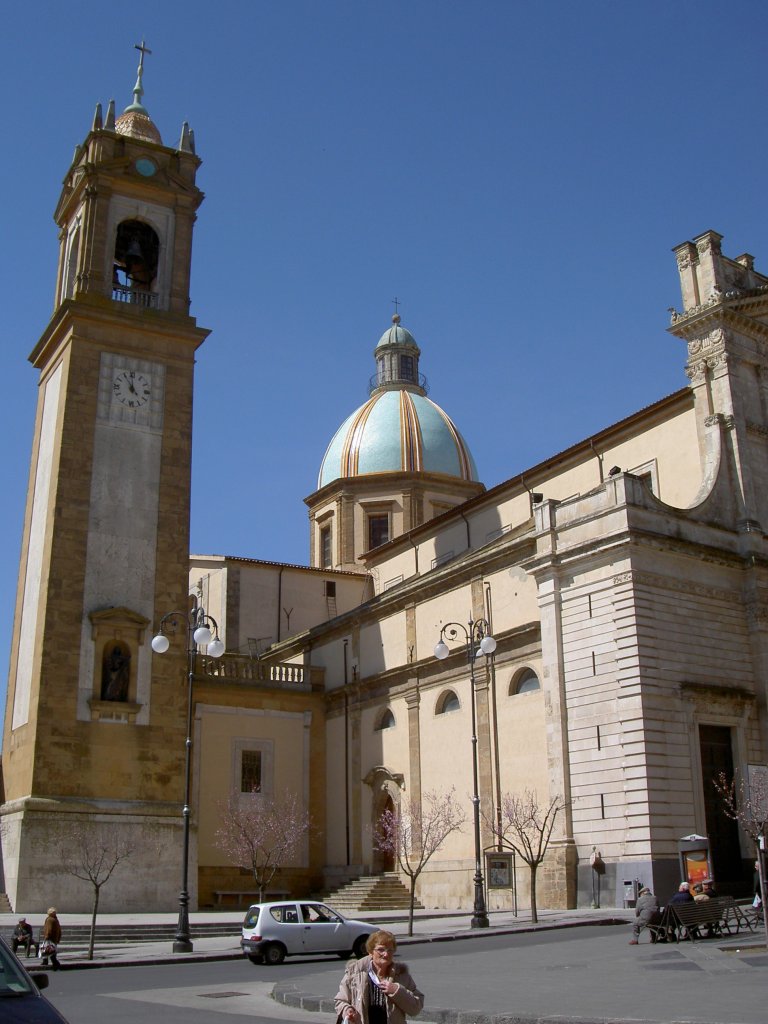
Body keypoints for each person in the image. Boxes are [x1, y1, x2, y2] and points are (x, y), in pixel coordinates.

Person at [335, 929, 423, 1024]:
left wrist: (397, 991)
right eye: (381, 949)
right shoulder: (355, 972)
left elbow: (416, 1008)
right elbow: (340, 1001)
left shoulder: (401, 975)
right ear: (370, 952)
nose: (386, 954)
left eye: (390, 950)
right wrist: (347, 1010)